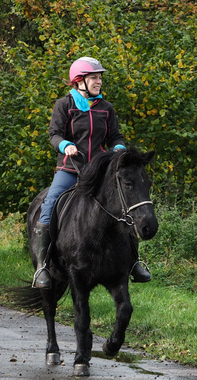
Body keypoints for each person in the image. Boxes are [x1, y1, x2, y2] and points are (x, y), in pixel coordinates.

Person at [32, 56, 151, 288]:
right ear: (79, 81)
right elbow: (54, 134)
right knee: (49, 204)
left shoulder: (106, 108)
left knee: (124, 206)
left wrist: (118, 148)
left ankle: (135, 262)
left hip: (100, 171)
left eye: (99, 78)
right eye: (94, 77)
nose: (99, 82)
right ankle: (43, 266)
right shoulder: (64, 105)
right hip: (70, 168)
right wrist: (65, 145)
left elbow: (115, 136)